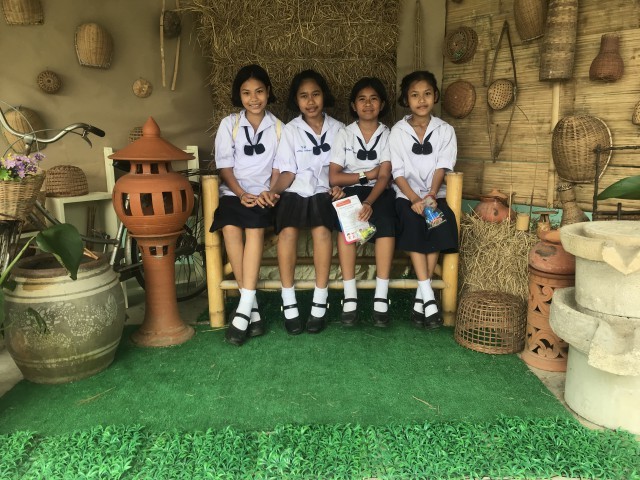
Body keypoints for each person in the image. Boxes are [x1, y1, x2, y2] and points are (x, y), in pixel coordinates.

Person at [257, 69, 344, 335]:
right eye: (304, 96)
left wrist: (339, 186)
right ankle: (288, 299)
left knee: (321, 230)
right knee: (287, 231)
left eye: (315, 94)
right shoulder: (291, 130)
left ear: (324, 96)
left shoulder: (339, 129)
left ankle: (320, 299)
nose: (310, 101)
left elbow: (344, 169)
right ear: (296, 100)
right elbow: (288, 172)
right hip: (296, 189)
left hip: (326, 190)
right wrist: (273, 191)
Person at [210, 64, 281, 346]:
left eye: (259, 91)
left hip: (264, 195)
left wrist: (269, 192)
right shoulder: (229, 124)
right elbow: (224, 167)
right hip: (234, 193)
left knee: (254, 228)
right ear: (239, 95)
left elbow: (279, 168)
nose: (254, 98)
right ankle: (251, 308)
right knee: (229, 226)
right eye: (247, 93)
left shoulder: (279, 128)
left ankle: (244, 308)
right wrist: (240, 193)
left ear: (268, 92)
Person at [390, 70, 458, 329]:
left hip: (434, 194)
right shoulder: (397, 132)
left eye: (427, 94)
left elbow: (443, 166)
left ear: (435, 96)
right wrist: (414, 199)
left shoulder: (445, 130)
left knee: (437, 222)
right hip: (406, 195)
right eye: (415, 95)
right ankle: (428, 296)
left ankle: (422, 299)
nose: (421, 100)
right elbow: (397, 172)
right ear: (406, 99)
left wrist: (430, 195)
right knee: (412, 221)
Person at [329, 77, 396, 327]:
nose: (368, 104)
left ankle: (381, 295)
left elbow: (385, 175)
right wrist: (366, 174)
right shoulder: (345, 134)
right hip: (350, 190)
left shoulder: (388, 134)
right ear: (353, 105)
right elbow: (334, 176)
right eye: (362, 99)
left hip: (379, 192)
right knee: (347, 226)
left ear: (382, 104)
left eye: (374, 99)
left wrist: (368, 201)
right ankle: (350, 295)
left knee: (386, 223)